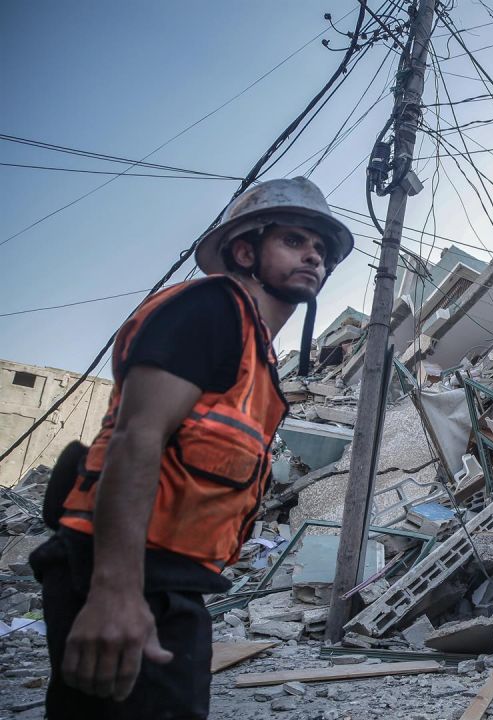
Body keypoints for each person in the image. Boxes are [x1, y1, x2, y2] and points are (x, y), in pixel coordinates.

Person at [29, 177, 353, 719]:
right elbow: (136, 438)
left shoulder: (256, 352)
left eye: (320, 248)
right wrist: (115, 593)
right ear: (245, 251)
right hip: (124, 569)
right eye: (294, 240)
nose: (314, 256)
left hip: (169, 579)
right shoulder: (213, 308)